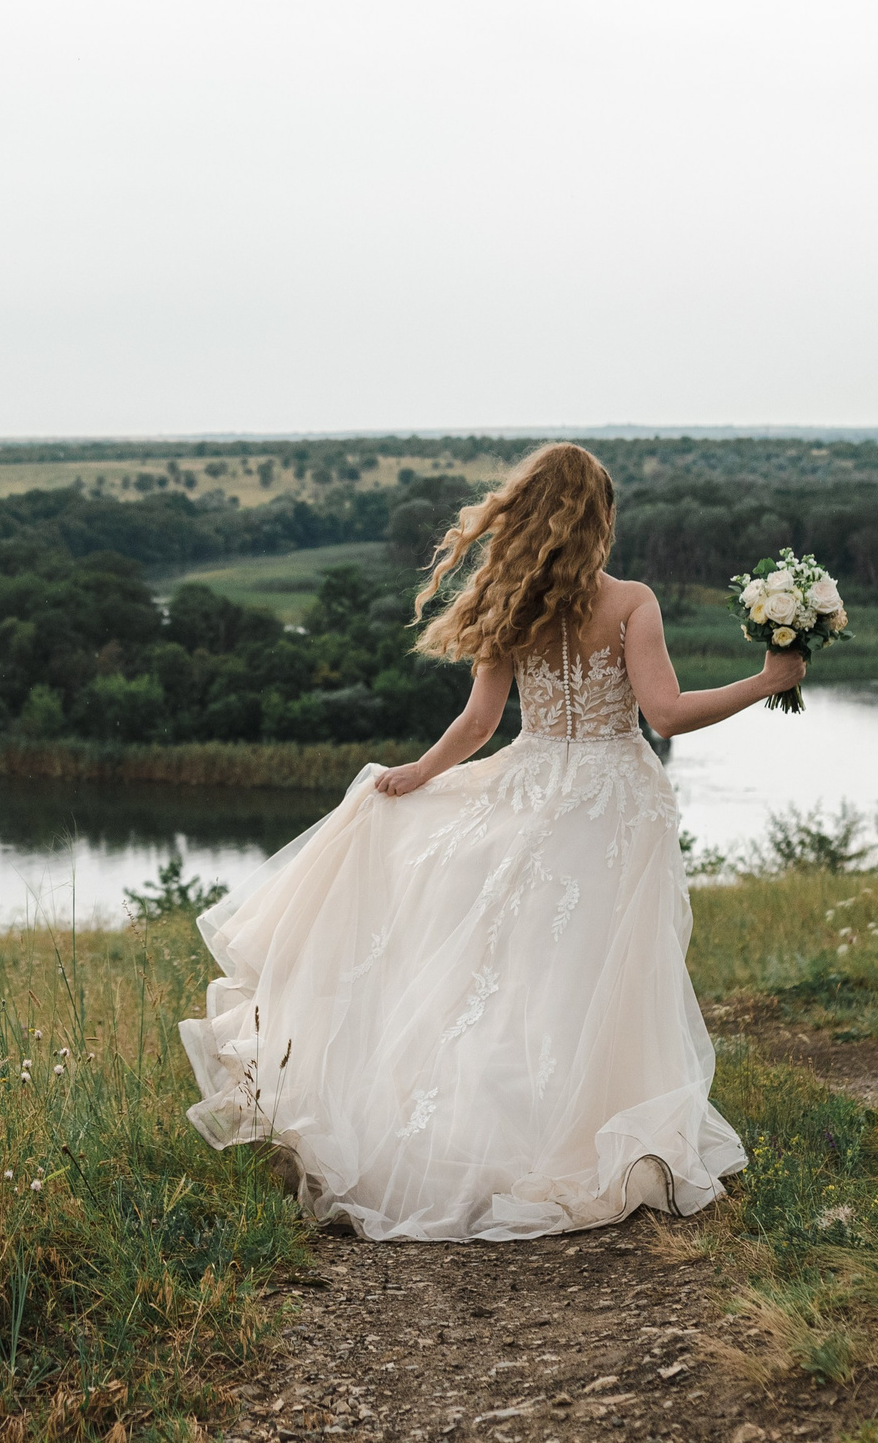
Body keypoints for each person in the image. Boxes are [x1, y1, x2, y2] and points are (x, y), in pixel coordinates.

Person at [178, 442, 804, 1240]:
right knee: (596, 975)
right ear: (600, 517)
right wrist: (766, 681)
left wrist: (418, 773)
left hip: (534, 790)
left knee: (522, 973)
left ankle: (510, 1133)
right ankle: (581, 1132)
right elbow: (668, 714)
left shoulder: (514, 601)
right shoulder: (632, 601)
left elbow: (478, 724)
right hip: (612, 804)